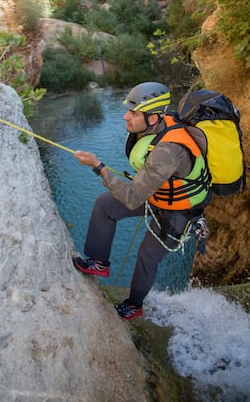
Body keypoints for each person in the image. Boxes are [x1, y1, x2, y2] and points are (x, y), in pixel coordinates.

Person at [73, 82, 212, 320]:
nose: (125, 116)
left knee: (147, 257)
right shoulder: (157, 125)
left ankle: (134, 305)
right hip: (157, 194)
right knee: (106, 204)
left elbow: (131, 197)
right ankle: (98, 261)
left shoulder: (168, 150)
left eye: (133, 113)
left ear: (153, 118)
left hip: (179, 210)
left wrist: (99, 167)